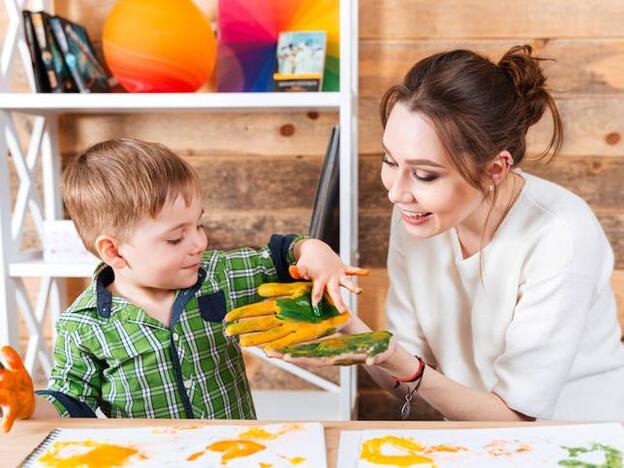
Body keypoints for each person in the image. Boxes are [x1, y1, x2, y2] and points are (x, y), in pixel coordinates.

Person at [291, 45, 624, 421]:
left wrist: (400, 362)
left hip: (580, 445)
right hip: (475, 443)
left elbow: (517, 418)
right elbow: (409, 383)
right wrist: (345, 324)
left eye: (425, 174)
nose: (396, 192)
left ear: (496, 169)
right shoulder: (415, 215)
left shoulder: (561, 234)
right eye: (390, 160)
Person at [0, 138, 364, 432]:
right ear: (113, 250)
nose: (199, 243)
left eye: (198, 225)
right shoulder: (82, 326)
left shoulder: (218, 274)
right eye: (176, 238)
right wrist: (31, 405)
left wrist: (316, 251)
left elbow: (282, 254)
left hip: (238, 453)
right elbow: (70, 401)